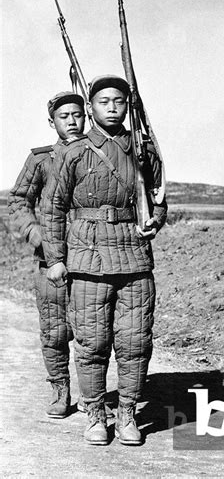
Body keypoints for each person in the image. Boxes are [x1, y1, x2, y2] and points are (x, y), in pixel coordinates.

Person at [41, 75, 167, 446]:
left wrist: (155, 220)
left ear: (128, 106)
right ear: (90, 108)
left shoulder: (142, 149)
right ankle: (96, 413)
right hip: (87, 257)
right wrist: (56, 259)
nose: (113, 107)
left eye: (119, 101)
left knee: (135, 342)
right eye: (104, 101)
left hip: (134, 257)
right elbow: (53, 209)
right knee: (92, 342)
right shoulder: (74, 151)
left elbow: (159, 196)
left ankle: (128, 413)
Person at [8, 91, 86, 418]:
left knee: (94, 332)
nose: (71, 121)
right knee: (55, 331)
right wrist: (36, 235)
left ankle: (92, 395)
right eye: (63, 116)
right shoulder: (41, 160)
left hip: (93, 259)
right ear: (51, 121)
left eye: (77, 114)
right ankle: (59, 388)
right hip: (50, 261)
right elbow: (17, 203)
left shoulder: (97, 156)